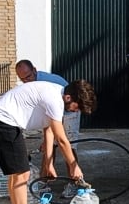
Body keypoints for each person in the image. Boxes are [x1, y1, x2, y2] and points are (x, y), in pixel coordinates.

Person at [0, 79, 97, 204]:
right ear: (69, 98)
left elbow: (49, 132)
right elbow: (62, 139)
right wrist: (74, 165)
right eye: (77, 107)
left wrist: (49, 164)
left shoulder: (56, 94)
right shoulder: (54, 100)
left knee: (17, 174)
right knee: (22, 174)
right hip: (2, 123)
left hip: (3, 123)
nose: (76, 111)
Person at [15, 60, 82, 192]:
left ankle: (74, 182)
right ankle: (44, 180)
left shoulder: (47, 82)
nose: (26, 81)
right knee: (49, 145)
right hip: (54, 111)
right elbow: (48, 125)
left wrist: (56, 137)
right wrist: (47, 142)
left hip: (69, 110)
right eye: (22, 79)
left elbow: (59, 115)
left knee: (68, 145)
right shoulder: (32, 85)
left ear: (34, 70)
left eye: (28, 76)